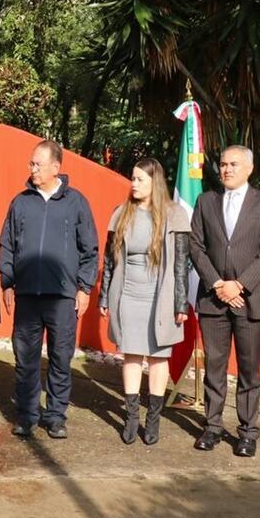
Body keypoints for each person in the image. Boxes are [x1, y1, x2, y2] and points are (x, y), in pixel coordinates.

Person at [0, 140, 98, 439]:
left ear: (56, 167)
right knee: (25, 357)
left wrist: (84, 287)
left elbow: (89, 249)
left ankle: (55, 416)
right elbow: (7, 244)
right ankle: (28, 415)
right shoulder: (20, 202)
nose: (32, 169)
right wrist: (7, 281)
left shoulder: (76, 202)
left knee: (60, 357)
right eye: (31, 164)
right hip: (27, 295)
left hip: (63, 296)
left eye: (37, 164)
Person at [189, 145, 260, 458]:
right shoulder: (206, 201)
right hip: (213, 300)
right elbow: (196, 247)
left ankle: (247, 433)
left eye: (234, 164)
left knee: (248, 370)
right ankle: (212, 427)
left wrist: (239, 285)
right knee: (214, 367)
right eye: (223, 164)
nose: (227, 169)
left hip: (249, 300)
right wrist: (217, 283)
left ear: (249, 169)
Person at [98, 158, 190, 445]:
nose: (133, 184)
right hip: (128, 295)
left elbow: (181, 263)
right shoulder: (121, 213)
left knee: (158, 356)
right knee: (132, 354)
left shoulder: (174, 215)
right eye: (133, 178)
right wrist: (104, 295)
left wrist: (180, 303)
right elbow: (109, 260)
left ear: (155, 182)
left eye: (140, 179)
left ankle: (153, 418)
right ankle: (132, 416)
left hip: (160, 296)